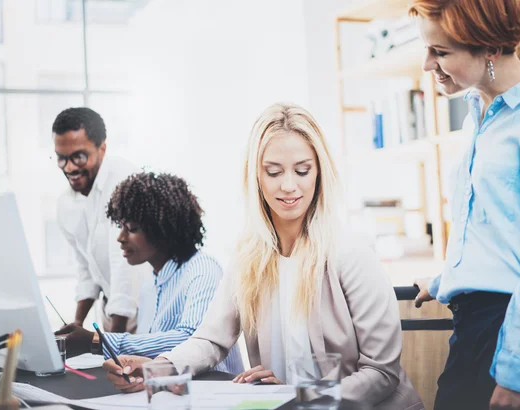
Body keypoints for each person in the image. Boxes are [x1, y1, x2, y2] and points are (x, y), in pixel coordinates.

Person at [101, 103, 424, 409]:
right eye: (273, 172)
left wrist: (296, 398)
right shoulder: (249, 255)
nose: (288, 186)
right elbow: (212, 339)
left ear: (319, 173)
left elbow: (381, 374)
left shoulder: (351, 253)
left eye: (302, 170)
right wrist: (159, 367)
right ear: (256, 176)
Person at [409, 1, 520, 409]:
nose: (428, 65)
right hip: (474, 328)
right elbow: (496, 228)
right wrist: (449, 275)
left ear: (489, 49)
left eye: (441, 52)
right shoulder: (476, 117)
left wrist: (519, 373)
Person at [56, 172, 244, 374]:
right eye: (121, 226)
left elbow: (192, 340)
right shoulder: (148, 286)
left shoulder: (202, 270)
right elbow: (150, 357)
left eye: (132, 228)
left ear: (163, 230)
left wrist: (97, 341)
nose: (120, 237)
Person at [54, 107, 143, 332]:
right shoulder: (66, 203)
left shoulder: (124, 181)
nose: (69, 167)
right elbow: (86, 267)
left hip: (142, 313)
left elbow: (125, 267)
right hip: (110, 313)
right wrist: (77, 323)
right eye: (62, 158)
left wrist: (112, 342)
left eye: (79, 157)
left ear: (101, 148)